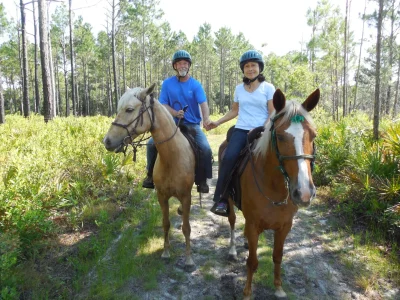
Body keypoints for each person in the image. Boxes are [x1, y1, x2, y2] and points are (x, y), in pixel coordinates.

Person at [207, 50, 275, 216]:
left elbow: (273, 112)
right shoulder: (239, 89)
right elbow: (234, 111)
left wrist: (261, 128)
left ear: (260, 67)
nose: (250, 68)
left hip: (263, 130)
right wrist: (217, 122)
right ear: (243, 69)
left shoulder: (268, 88)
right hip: (242, 129)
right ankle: (222, 199)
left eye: (253, 65)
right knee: (228, 157)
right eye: (247, 66)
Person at [142, 50, 213, 193]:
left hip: (192, 125)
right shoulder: (168, 84)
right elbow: (163, 105)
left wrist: (206, 118)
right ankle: (150, 176)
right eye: (179, 63)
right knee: (151, 144)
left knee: (205, 148)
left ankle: (202, 180)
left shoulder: (195, 85)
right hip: (171, 124)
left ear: (189, 66)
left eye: (185, 63)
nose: (182, 66)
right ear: (175, 66)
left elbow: (203, 104)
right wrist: (175, 113)